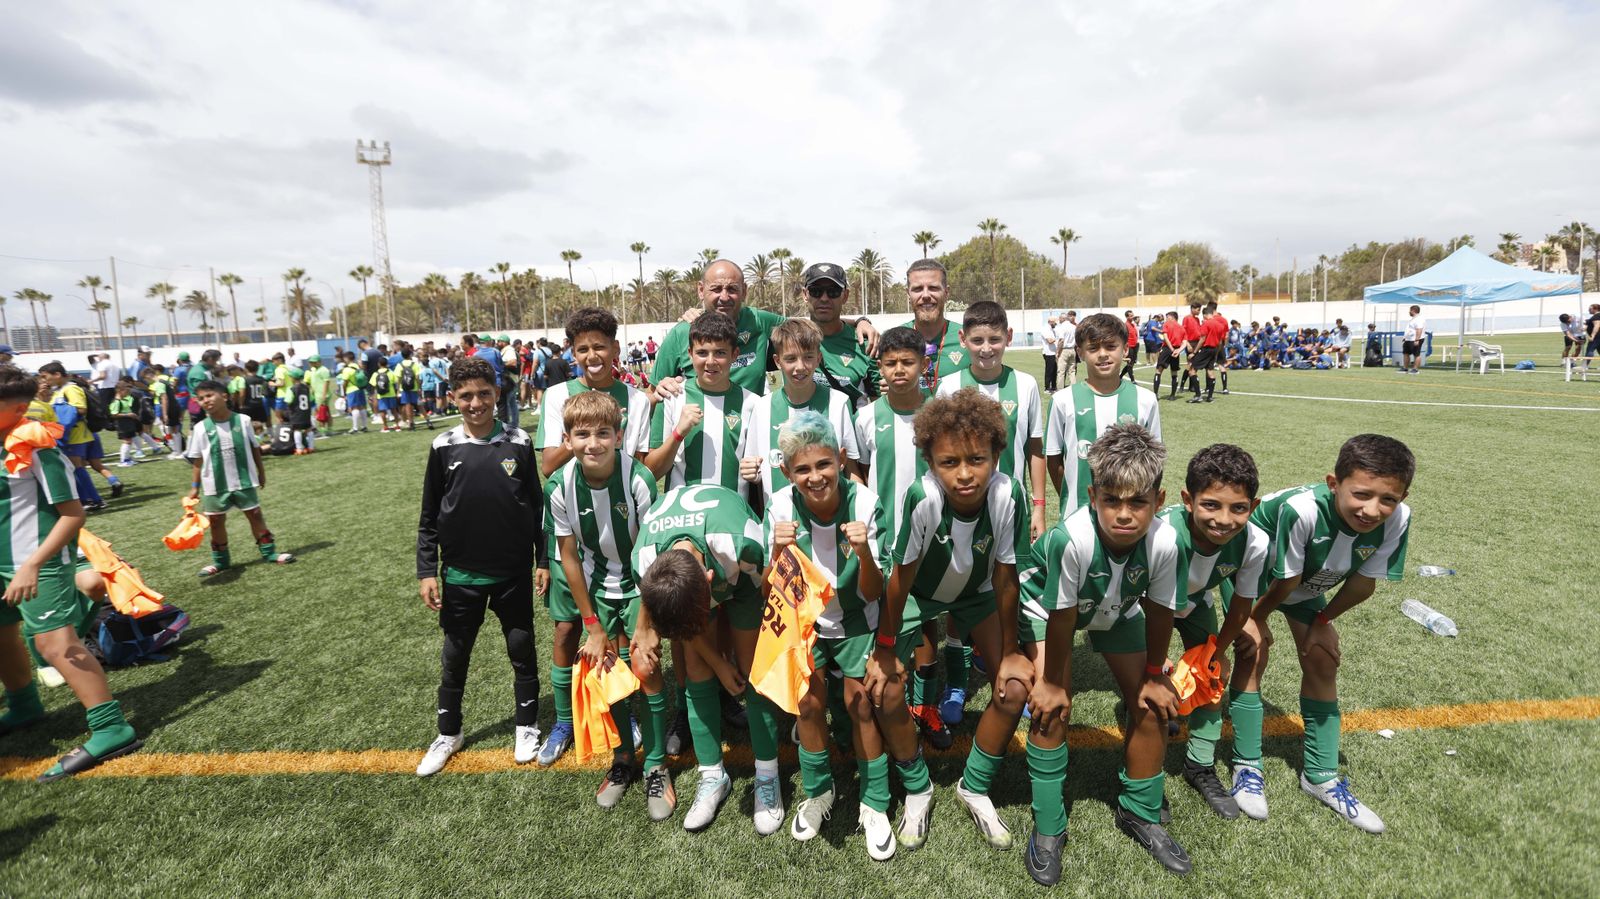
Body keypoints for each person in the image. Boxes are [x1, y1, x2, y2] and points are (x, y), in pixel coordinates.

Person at [865, 389, 1031, 855]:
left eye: (977, 459)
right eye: (948, 462)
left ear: (997, 454)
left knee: (1014, 685)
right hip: (919, 595)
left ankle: (974, 785)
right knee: (887, 686)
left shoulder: (1007, 494)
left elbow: (1004, 577)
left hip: (977, 596)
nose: (964, 474)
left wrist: (1012, 651)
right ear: (929, 462)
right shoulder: (923, 498)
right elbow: (900, 579)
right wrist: (885, 646)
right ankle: (918, 787)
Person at [1229, 434, 1414, 833]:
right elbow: (1282, 581)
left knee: (1323, 660)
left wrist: (1323, 622)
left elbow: (1363, 583)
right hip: (1251, 575)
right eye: (1361, 494)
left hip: (1303, 583)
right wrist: (1256, 620)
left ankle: (1321, 775)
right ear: (1334, 483)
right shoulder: (1302, 510)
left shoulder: (1399, 519)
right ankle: (1246, 765)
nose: (1372, 509)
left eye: (1388, 499)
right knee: (1253, 650)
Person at [1027, 423, 1187, 878]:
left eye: (1137, 502)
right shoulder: (1071, 538)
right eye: (1111, 500)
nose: (1123, 514)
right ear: (1093, 495)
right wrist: (1054, 683)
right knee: (1051, 708)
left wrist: (1155, 673)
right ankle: (1048, 824)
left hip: (1115, 607)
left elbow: (1159, 611)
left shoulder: (1165, 540)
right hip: (1044, 608)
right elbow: (1060, 616)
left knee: (1152, 703)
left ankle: (1139, 809)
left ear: (1157, 502)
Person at [763, 411, 914, 860]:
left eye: (824, 464)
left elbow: (873, 590)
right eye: (803, 469)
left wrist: (865, 551)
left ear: (842, 459)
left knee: (858, 703)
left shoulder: (865, 503)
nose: (815, 477)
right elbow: (772, 584)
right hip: (803, 623)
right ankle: (819, 790)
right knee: (807, 702)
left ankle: (874, 802)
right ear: (788, 472)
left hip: (857, 621)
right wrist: (775, 549)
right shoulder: (780, 505)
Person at [0, 365, 142, 781]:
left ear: (18, 408)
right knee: (2, 632)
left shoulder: (39, 447)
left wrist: (32, 565)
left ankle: (112, 728)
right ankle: (24, 706)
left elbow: (72, 515)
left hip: (35, 563)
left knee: (55, 645)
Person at [414, 356, 547, 776]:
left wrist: (542, 560)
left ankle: (527, 726)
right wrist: (426, 570)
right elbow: (429, 515)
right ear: (453, 397)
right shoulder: (443, 446)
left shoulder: (519, 442)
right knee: (456, 656)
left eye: (484, 394)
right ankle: (448, 732)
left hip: (511, 572)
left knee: (522, 650)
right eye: (466, 396)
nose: (476, 403)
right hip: (461, 575)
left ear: (497, 394)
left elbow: (537, 508)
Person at [534, 307, 654, 768]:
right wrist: (584, 433)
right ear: (573, 352)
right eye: (582, 348)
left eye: (599, 346)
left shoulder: (636, 400)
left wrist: (609, 433)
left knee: (624, 635)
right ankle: (564, 719)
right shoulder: (558, 395)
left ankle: (626, 712)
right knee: (568, 628)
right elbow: (547, 465)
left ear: (615, 349)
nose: (592, 355)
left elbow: (639, 464)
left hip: (620, 531)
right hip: (573, 531)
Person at [546, 390, 663, 815]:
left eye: (602, 433)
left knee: (646, 669)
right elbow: (569, 557)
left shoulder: (638, 479)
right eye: (581, 435)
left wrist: (647, 620)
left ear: (619, 435)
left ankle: (655, 766)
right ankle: (622, 761)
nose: (592, 443)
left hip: (639, 587)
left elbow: (652, 553)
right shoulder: (559, 486)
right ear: (567, 439)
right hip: (597, 591)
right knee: (607, 674)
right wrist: (592, 625)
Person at [631, 484, 770, 834]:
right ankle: (712, 775)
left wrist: (735, 657)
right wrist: (719, 664)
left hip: (741, 572)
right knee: (696, 670)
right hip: (694, 565)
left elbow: (764, 590)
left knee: (755, 669)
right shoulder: (645, 558)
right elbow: (682, 626)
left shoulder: (741, 542)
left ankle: (768, 774)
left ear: (710, 580)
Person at [851, 327, 952, 751]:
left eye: (907, 362)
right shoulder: (866, 416)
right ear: (880, 367)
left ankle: (924, 707)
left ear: (923, 366)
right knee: (881, 620)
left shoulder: (941, 414)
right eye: (890, 363)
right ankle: (884, 698)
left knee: (927, 621)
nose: (898, 370)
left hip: (932, 538)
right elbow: (856, 470)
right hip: (882, 537)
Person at [1159, 444, 1270, 822]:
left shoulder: (1254, 541)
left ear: (1252, 507)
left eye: (1237, 508)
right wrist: (1154, 656)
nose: (1224, 519)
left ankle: (1199, 764)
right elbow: (1143, 600)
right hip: (1142, 607)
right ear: (1188, 501)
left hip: (1192, 603)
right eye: (1211, 505)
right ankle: (1146, 775)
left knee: (1210, 678)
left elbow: (1241, 605)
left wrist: (1217, 651)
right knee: (1150, 688)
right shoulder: (1163, 535)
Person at [935, 301, 1046, 538]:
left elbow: (1035, 449)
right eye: (977, 341)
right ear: (963, 339)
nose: (986, 349)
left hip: (1013, 508)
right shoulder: (949, 386)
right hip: (962, 508)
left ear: (1009, 336)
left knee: (1014, 574)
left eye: (994, 339)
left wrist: (1039, 507)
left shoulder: (1026, 385)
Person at [1045, 313, 1162, 522]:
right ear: (1080, 353)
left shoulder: (1146, 400)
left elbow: (1154, 462)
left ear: (1125, 349)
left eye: (1110, 347)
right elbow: (1054, 460)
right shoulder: (1063, 400)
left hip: (1127, 517)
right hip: (1076, 515)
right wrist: (1072, 494)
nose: (1102, 354)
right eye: (1093, 348)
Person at [186, 380, 296, 578]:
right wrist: (195, 487)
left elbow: (254, 448)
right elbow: (197, 459)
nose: (205, 401)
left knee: (255, 514)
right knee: (216, 521)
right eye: (201, 398)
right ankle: (221, 562)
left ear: (225, 396)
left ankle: (269, 552)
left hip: (243, 480)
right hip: (214, 483)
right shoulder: (201, 428)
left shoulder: (243, 420)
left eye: (209, 395)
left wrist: (261, 472)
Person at [746, 319, 861, 503]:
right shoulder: (761, 408)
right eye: (791, 358)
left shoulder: (838, 402)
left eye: (808, 357)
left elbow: (852, 470)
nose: (800, 367)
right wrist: (750, 471)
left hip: (831, 525)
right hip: (779, 525)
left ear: (818, 359)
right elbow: (755, 470)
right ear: (777, 361)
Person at [645, 311, 756, 498]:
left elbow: (758, 472)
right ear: (690, 354)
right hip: (683, 517)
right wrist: (678, 434)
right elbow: (651, 472)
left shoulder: (752, 404)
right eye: (702, 353)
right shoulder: (672, 396)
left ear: (735, 354)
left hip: (732, 518)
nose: (710, 362)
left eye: (720, 353)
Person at [804, 263, 879, 409]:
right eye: (816, 291)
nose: (824, 298)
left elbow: (878, 405)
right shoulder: (791, 337)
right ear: (805, 294)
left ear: (845, 296)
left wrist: (861, 321)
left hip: (851, 431)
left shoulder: (865, 343)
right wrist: (860, 320)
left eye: (833, 291)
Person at [38, 362, 107, 511]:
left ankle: (92, 499)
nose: (44, 380)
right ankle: (88, 499)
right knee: (74, 467)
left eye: (45, 376)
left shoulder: (71, 388)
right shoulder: (59, 391)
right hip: (67, 434)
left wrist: (62, 418)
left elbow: (81, 409)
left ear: (57, 374)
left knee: (76, 467)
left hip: (73, 435)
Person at [902, 259, 969, 390]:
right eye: (917, 289)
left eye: (933, 288)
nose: (926, 295)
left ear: (946, 292)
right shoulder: (894, 340)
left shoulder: (969, 339)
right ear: (908, 294)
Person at [1187, 302, 1227, 404]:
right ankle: (1209, 397)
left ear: (1205, 315)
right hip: (1215, 349)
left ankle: (1198, 395)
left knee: (1192, 370)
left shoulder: (1206, 323)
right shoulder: (1220, 325)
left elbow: (1202, 339)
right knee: (1210, 371)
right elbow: (1221, 341)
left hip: (1206, 349)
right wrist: (1216, 352)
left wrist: (1195, 352)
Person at [1152, 311, 1185, 399]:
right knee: (1174, 372)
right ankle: (1173, 395)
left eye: (1167, 317)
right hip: (1176, 350)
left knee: (1158, 371)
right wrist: (1178, 351)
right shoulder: (1182, 328)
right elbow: (1185, 343)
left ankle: (1155, 394)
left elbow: (1165, 337)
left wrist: (1171, 349)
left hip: (1167, 349)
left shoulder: (1167, 324)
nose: (1166, 319)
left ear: (1172, 317)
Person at [109, 379, 141, 466]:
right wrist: (128, 415)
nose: (128, 393)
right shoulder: (116, 402)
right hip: (122, 424)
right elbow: (114, 414)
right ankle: (123, 460)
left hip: (128, 423)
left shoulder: (124, 400)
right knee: (127, 441)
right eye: (126, 391)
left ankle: (127, 458)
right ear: (120, 391)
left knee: (130, 441)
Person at [395, 348, 428, 431]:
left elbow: (398, 379)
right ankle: (428, 421)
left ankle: (411, 423)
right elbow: (417, 377)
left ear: (402, 356)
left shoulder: (400, 365)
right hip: (414, 388)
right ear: (410, 355)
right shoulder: (414, 364)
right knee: (420, 405)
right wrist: (419, 387)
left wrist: (398, 389)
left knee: (408, 405)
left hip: (405, 389)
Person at [338, 353, 370, 433]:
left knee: (354, 408)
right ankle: (364, 426)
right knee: (362, 407)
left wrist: (344, 392)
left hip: (351, 390)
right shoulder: (357, 366)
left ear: (346, 359)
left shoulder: (346, 369)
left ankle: (355, 428)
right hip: (360, 388)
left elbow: (345, 382)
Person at [304, 355, 335, 437]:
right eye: (310, 362)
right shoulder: (314, 370)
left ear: (318, 362)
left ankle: (325, 430)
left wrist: (324, 395)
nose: (311, 363)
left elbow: (326, 382)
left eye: (313, 362)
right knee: (323, 412)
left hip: (322, 395)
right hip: (317, 394)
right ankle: (326, 430)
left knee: (323, 413)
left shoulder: (323, 370)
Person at [285, 369, 314, 455]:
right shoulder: (306, 388)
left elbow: (288, 401)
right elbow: (311, 399)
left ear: (293, 378)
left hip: (296, 413)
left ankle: (299, 448)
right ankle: (311, 447)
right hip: (306, 412)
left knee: (297, 429)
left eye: (291, 376)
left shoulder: (291, 388)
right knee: (309, 429)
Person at [368, 358, 399, 433]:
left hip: (381, 395)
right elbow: (396, 381)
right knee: (394, 409)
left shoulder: (375, 374)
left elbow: (373, 384)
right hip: (391, 394)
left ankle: (385, 427)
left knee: (382, 411)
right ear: (386, 364)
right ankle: (397, 426)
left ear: (379, 364)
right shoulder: (390, 373)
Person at [1056, 310, 1078, 388]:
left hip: (1064, 350)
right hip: (1072, 349)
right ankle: (1074, 388)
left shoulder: (1062, 327)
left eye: (1060, 319)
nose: (1059, 320)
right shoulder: (1074, 327)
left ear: (1063, 319)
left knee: (1061, 372)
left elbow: (1061, 340)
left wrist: (1058, 352)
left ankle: (1060, 389)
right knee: (1072, 371)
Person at [1401, 304, 1426, 374]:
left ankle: (1415, 369)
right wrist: (1405, 338)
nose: (1409, 312)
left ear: (1413, 310)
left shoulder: (1419, 319)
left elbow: (1419, 329)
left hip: (1415, 339)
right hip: (1408, 339)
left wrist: (1417, 340)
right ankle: (1405, 368)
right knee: (1405, 353)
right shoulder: (1413, 319)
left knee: (1416, 354)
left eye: (1410, 310)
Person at [1040, 315, 1060, 393]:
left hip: (1053, 352)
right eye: (1055, 323)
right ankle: (1047, 387)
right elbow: (1050, 341)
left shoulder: (1052, 329)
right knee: (1049, 371)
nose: (1056, 324)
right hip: (1048, 353)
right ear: (1051, 322)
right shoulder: (1045, 329)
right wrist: (1058, 339)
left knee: (1055, 370)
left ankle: (1054, 387)